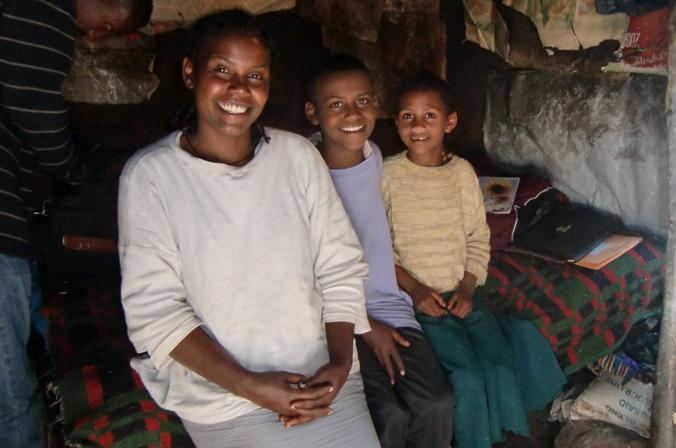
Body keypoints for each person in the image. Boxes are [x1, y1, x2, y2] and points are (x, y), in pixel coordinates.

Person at [117, 10, 379, 448]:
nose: (240, 88)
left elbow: (340, 267)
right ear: (190, 72)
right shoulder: (150, 177)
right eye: (222, 70)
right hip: (223, 398)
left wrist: (339, 362)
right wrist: (249, 385)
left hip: (325, 381)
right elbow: (155, 312)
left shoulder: (297, 156)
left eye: (255, 75)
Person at [0, 1, 152, 446]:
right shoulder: (45, 11)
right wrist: (78, 173)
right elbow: (38, 114)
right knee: (9, 392)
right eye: (108, 26)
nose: (95, 36)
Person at [382, 74, 546, 448]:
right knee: (466, 375)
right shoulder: (388, 175)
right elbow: (377, 248)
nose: (417, 126)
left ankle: (505, 434)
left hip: (462, 293)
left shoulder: (462, 173)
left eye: (429, 116)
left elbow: (477, 236)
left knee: (499, 362)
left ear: (450, 121)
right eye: (407, 117)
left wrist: (469, 287)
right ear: (396, 122)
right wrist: (414, 289)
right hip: (416, 301)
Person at [304, 54, 454, 448]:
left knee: (436, 404)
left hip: (391, 308)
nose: (353, 114)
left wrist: (411, 289)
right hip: (334, 322)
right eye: (336, 104)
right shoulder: (304, 176)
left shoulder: (372, 157)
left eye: (362, 101)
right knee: (388, 417)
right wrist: (366, 327)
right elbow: (304, 273)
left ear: (376, 104)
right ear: (312, 113)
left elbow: (380, 239)